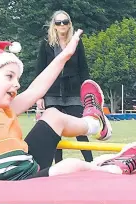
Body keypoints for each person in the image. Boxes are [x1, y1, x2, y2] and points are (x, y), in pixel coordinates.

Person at [0, 30, 136, 182]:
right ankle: (109, 167)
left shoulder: (5, 109)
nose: (16, 84)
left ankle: (95, 123)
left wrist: (64, 56)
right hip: (7, 181)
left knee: (53, 114)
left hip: (28, 168)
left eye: (17, 79)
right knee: (70, 166)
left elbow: (36, 90)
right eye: (9, 76)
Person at [35, 10, 93, 163]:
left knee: (80, 129)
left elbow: (83, 68)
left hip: (73, 92)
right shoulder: (46, 44)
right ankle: (57, 165)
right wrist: (39, 95)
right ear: (53, 25)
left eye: (65, 22)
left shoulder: (76, 42)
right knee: (54, 131)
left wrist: (87, 90)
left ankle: (90, 162)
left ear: (69, 25)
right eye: (58, 22)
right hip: (52, 92)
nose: (62, 25)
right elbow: (40, 70)